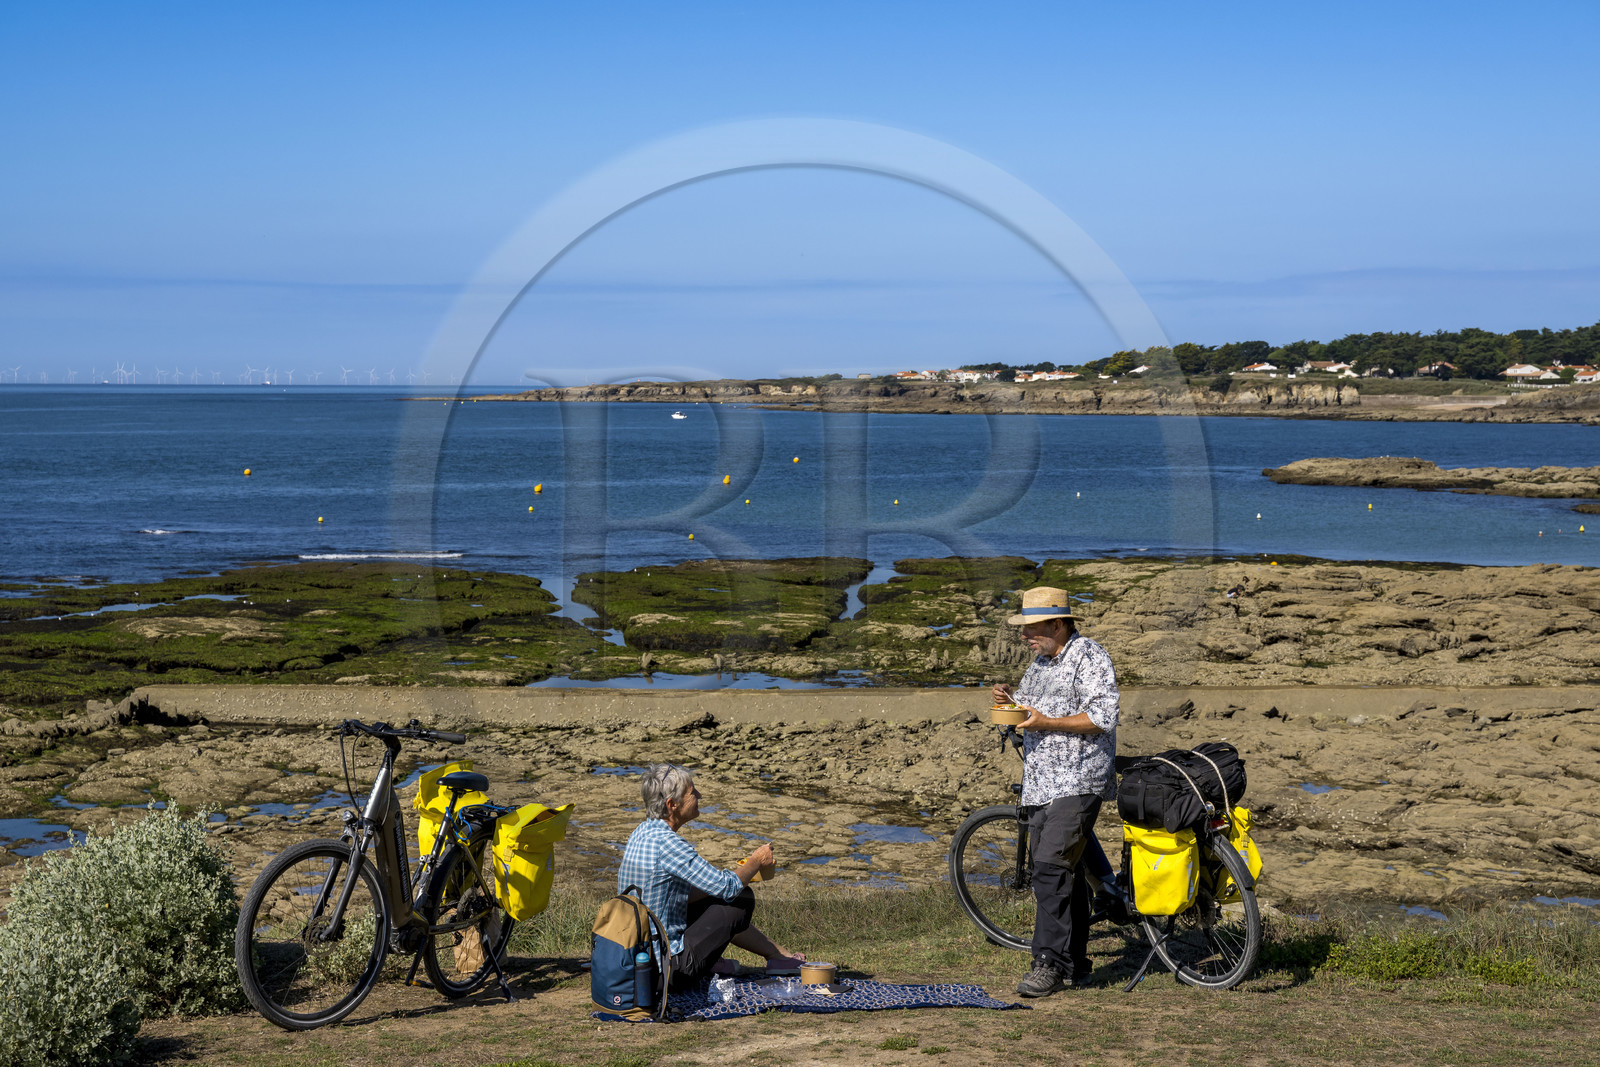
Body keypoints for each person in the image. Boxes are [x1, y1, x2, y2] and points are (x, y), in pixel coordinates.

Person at [991, 586, 1119, 997]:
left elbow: (1103, 717)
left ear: (1059, 623)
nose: (1025, 635)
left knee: (1048, 867)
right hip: (1042, 780)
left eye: (1032, 627)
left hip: (1079, 777)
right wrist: (1008, 700)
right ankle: (1077, 961)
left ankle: (1048, 963)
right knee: (1067, 871)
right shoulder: (1041, 663)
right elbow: (1030, 712)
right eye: (1024, 628)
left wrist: (1046, 722)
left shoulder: (1091, 656)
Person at [618, 763, 804, 989]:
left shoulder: (641, 832)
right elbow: (727, 888)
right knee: (740, 899)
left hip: (638, 960)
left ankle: (775, 956)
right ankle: (708, 962)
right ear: (672, 805)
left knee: (710, 895)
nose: (699, 795)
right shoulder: (668, 843)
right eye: (692, 792)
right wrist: (756, 861)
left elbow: (679, 894)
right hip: (665, 969)